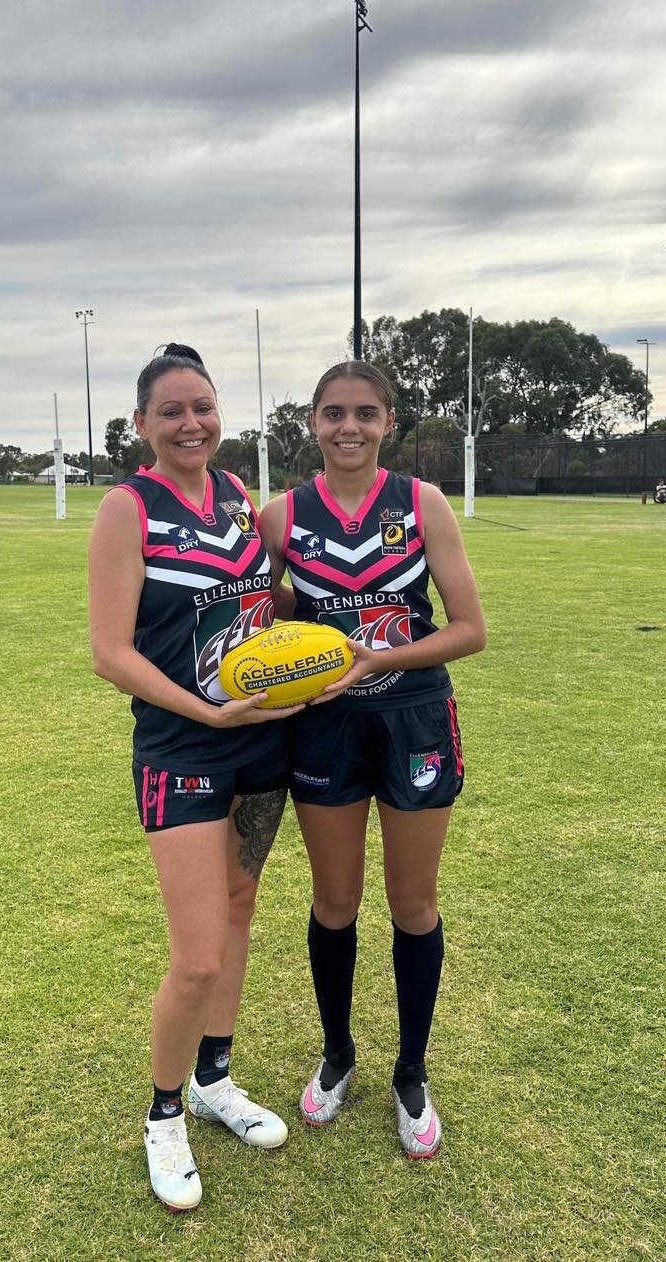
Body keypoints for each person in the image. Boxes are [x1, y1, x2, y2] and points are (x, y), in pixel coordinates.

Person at [88, 344, 298, 1212]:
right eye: (170, 410)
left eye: (202, 406)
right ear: (141, 425)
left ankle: (215, 1079)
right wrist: (205, 712)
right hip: (183, 749)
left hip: (260, 743)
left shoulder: (241, 498)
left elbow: (259, 606)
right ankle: (164, 1115)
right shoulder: (126, 509)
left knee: (242, 910)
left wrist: (305, 646)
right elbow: (109, 653)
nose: (190, 423)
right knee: (197, 958)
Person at [260, 359, 486, 1159]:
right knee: (335, 902)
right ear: (312, 424)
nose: (348, 427)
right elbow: (266, 612)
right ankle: (338, 1056)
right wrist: (294, 623)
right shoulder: (280, 517)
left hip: (413, 717)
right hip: (324, 725)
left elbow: (469, 629)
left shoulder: (421, 503)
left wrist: (380, 661)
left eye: (364, 413)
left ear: (388, 421)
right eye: (332, 414)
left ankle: (411, 1073)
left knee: (412, 903)